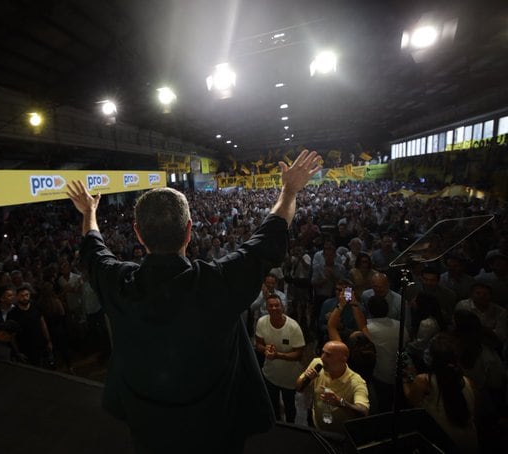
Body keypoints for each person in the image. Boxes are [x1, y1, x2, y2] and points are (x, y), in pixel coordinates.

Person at [67, 149, 321, 453]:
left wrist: (89, 213)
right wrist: (289, 189)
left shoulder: (117, 284)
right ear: (189, 230)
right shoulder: (219, 282)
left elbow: (92, 247)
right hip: (215, 431)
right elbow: (274, 230)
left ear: (138, 234)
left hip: (149, 429)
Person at [402, 333, 479, 453]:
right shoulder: (469, 382)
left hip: (442, 445)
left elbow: (411, 400)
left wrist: (405, 380)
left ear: (432, 358)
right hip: (470, 443)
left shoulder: (424, 380)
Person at [296, 340, 369, 434]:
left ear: (343, 359)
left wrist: (340, 402)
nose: (322, 358)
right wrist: (306, 378)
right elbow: (298, 388)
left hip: (339, 434)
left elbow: (363, 412)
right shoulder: (317, 364)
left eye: (328, 355)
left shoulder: (356, 382)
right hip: (315, 425)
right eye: (322, 353)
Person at [254, 293, 305, 423]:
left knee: (289, 406)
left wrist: (278, 355)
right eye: (271, 306)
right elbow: (258, 344)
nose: (274, 308)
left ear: (282, 307)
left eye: (277, 305)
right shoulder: (262, 322)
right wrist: (265, 349)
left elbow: (298, 354)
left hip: (289, 377)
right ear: (267, 308)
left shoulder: (293, 327)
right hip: (270, 375)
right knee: (272, 404)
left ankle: (291, 428)